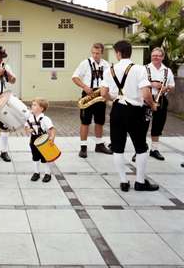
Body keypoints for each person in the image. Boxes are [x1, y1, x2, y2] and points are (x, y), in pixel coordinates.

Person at [101, 40, 159, 192]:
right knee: (141, 147)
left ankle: (123, 181)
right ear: (130, 52)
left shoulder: (109, 70)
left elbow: (103, 94)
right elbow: (146, 94)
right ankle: (140, 182)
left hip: (117, 110)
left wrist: (114, 99)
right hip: (135, 111)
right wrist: (153, 105)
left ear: (118, 53)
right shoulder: (139, 69)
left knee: (118, 148)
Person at [132, 47, 175, 162]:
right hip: (146, 100)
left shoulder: (167, 70)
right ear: (151, 56)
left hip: (161, 100)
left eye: (158, 55)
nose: (156, 57)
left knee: (158, 125)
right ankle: (139, 150)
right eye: (154, 55)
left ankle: (154, 150)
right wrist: (152, 84)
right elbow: (138, 83)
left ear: (163, 57)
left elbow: (171, 85)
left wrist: (166, 88)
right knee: (142, 126)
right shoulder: (144, 69)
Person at [72, 43, 112, 158]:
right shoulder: (85, 63)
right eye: (93, 53)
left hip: (101, 94)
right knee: (85, 122)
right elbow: (74, 77)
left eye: (97, 53)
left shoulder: (106, 65)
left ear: (102, 53)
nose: (95, 55)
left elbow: (110, 80)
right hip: (88, 93)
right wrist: (84, 87)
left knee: (100, 121)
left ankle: (99, 145)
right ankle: (83, 147)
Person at [25, 98, 55, 182]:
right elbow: (26, 127)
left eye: (35, 105)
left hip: (44, 139)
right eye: (32, 104)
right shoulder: (29, 118)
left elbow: (52, 129)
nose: (32, 106)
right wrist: (28, 130)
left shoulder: (45, 119)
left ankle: (47, 173)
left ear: (41, 108)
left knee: (45, 157)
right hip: (33, 139)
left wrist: (52, 138)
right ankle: (36, 173)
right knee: (35, 157)